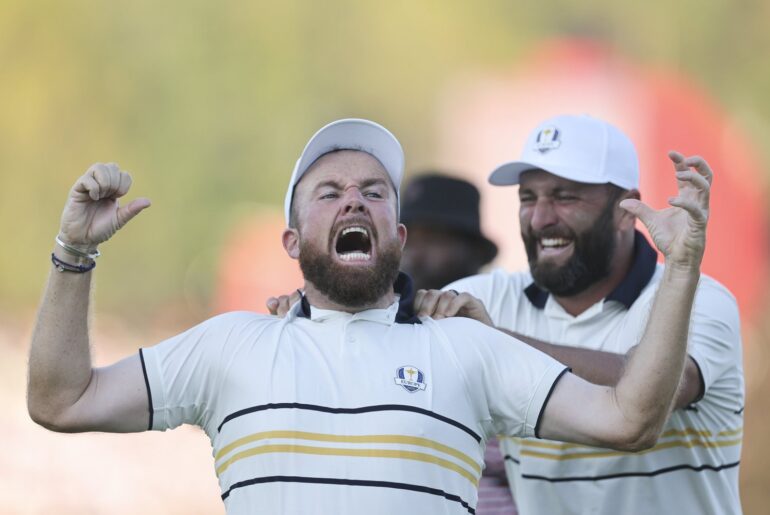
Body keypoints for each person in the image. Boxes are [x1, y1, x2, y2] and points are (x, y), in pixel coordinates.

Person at [28, 118, 712, 514]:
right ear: (292, 242)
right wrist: (73, 252)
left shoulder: (468, 348)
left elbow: (630, 417)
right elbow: (61, 398)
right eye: (329, 191)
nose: (354, 201)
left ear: (398, 234)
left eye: (374, 192)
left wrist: (679, 268)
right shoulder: (231, 345)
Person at [417, 114, 743, 515]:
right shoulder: (486, 297)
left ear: (626, 210)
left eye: (565, 197)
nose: (540, 218)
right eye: (528, 198)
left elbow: (658, 389)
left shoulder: (699, 298)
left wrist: (494, 343)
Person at [399, 174, 498, 291]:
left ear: (473, 250)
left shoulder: (499, 306)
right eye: (407, 242)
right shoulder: (389, 306)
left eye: (431, 240)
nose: (414, 256)